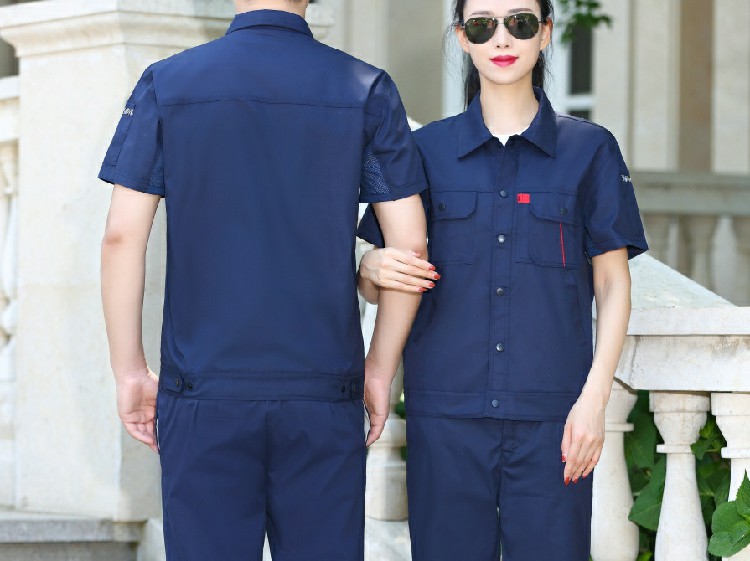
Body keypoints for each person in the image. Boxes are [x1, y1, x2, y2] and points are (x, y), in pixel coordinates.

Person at [99, 0, 427, 559]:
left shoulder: (168, 84)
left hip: (204, 392)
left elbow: (121, 237)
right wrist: (379, 369)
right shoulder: (366, 88)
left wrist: (129, 370)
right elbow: (410, 248)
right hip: (323, 392)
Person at [356, 0, 649, 559]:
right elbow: (384, 280)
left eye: (519, 22)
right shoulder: (424, 152)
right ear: (462, 38)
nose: (502, 39)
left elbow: (613, 286)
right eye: (482, 25)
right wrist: (368, 268)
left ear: (545, 32)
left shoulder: (590, 150)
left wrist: (594, 401)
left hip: (554, 420)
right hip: (445, 417)